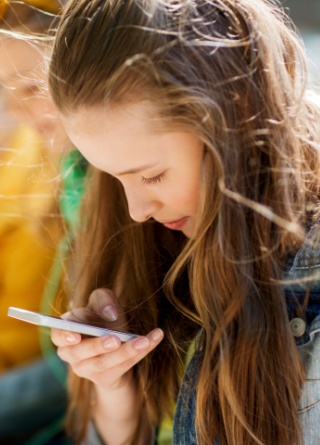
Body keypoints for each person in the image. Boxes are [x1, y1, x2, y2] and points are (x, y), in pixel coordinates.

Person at [47, 0, 320, 444]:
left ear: (237, 122)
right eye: (116, 180)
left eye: (152, 175)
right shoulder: (154, 239)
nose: (136, 210)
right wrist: (116, 388)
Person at [0, 1, 86, 443]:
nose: (17, 111)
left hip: (56, 370)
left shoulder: (92, 175)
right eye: (7, 92)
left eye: (31, 88)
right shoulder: (30, 152)